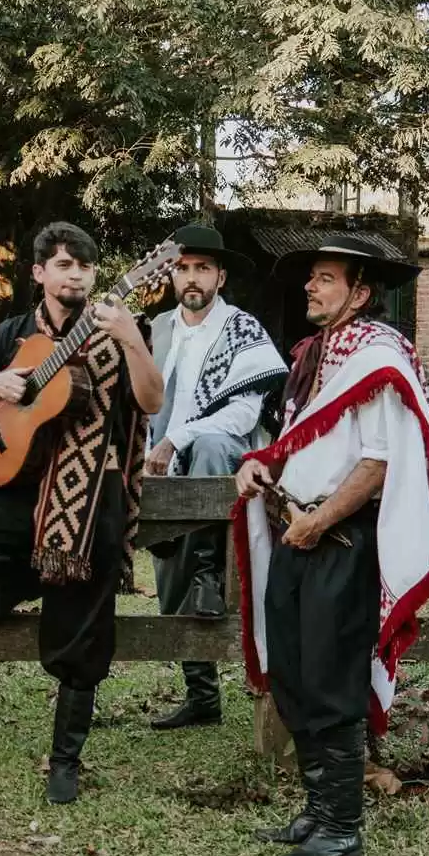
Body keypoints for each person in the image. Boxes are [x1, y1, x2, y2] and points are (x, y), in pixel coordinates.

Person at [0, 222, 162, 804]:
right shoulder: (14, 334)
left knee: (82, 626)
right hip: (21, 486)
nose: (76, 275)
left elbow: (152, 400)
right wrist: (1, 383)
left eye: (84, 266)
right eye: (64, 265)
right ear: (39, 273)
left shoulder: (119, 332)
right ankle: (18, 580)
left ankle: (65, 758)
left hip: (92, 492)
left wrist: (134, 338)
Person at [235, 235, 429, 856]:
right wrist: (258, 465)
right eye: (312, 278)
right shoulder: (312, 357)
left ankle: (343, 823)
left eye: (325, 278)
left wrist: (319, 521)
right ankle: (318, 809)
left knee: (331, 680)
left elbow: (380, 461)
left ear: (360, 292)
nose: (310, 287)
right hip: (297, 529)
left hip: (340, 541)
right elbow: (300, 444)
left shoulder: (377, 356)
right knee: (294, 674)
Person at [145, 226, 286, 730]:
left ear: (220, 276)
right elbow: (140, 407)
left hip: (224, 464)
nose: (192, 277)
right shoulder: (157, 329)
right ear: (171, 275)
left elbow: (242, 417)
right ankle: (202, 697)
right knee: (170, 588)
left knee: (206, 443)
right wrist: (147, 452)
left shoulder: (242, 329)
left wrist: (176, 440)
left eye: (203, 268)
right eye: (183, 267)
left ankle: (211, 572)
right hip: (160, 470)